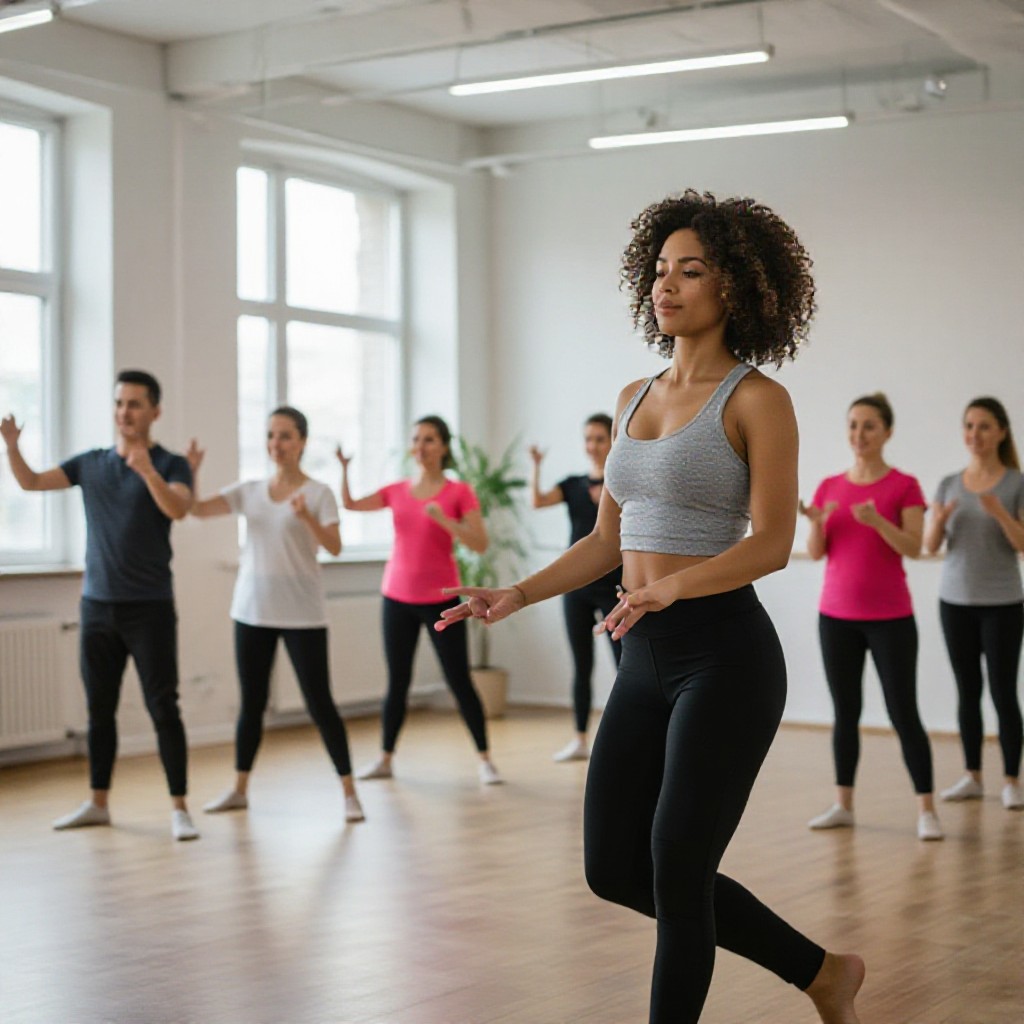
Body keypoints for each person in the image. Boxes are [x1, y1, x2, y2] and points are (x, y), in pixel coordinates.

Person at [437, 191, 863, 1024]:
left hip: (726, 657)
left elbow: (773, 542)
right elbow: (607, 540)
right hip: (644, 656)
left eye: (691, 271)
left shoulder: (756, 400)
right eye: (660, 270)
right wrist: (516, 594)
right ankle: (820, 972)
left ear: (735, 287)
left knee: (676, 865)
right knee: (613, 868)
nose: (668, 285)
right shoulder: (634, 395)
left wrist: (671, 583)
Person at [1, 370, 199, 841]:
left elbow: (179, 509)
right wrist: (12, 445)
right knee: (99, 710)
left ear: (155, 411)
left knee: (163, 708)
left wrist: (147, 470)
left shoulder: (172, 464)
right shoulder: (90, 464)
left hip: (149, 608)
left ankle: (179, 808)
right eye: (119, 403)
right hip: (97, 608)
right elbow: (30, 482)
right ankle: (98, 803)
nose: (124, 412)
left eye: (134, 404)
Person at [186, 407, 365, 823]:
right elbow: (196, 509)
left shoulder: (319, 494)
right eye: (271, 435)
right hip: (252, 610)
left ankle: (349, 792)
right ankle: (239, 789)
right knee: (252, 703)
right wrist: (193, 471)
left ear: (302, 441)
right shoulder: (250, 490)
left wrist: (304, 518)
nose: (276, 444)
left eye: (285, 436)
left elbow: (334, 547)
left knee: (320, 703)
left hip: (303, 613)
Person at [802, 393, 942, 841]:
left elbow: (914, 547)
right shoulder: (829, 487)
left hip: (890, 618)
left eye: (869, 426)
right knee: (845, 711)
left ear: (887, 432)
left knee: (903, 711)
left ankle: (926, 809)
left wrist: (878, 521)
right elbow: (816, 552)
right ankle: (843, 803)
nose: (859, 434)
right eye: (853, 425)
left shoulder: (905, 486)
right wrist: (817, 523)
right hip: (836, 616)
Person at [337, 415, 503, 785]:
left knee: (458, 678)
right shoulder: (397, 490)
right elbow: (350, 504)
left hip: (442, 600)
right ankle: (385, 759)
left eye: (429, 439)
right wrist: (344, 469)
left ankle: (485, 759)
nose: (421, 446)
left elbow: (480, 542)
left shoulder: (458, 492)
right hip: (396, 597)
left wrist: (445, 521)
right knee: (397, 680)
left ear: (443, 447)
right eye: (417, 439)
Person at [924, 397, 1024, 811]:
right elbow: (930, 547)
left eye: (984, 426)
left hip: (1002, 601)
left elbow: (1021, 545)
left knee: (1002, 690)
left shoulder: (1016, 483)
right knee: (968, 690)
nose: (975, 434)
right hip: (955, 601)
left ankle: (1011, 781)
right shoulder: (949, 483)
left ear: (1001, 431)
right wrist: (941, 520)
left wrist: (1000, 513)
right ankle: (972, 775)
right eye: (969, 426)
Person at [529, 414, 622, 761]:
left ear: (612, 442)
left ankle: (621, 740)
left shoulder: (622, 484)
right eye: (588, 439)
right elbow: (537, 501)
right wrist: (536, 466)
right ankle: (580, 738)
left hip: (615, 587)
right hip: (577, 587)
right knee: (581, 665)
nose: (593, 445)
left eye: (599, 438)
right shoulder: (572, 485)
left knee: (625, 666)